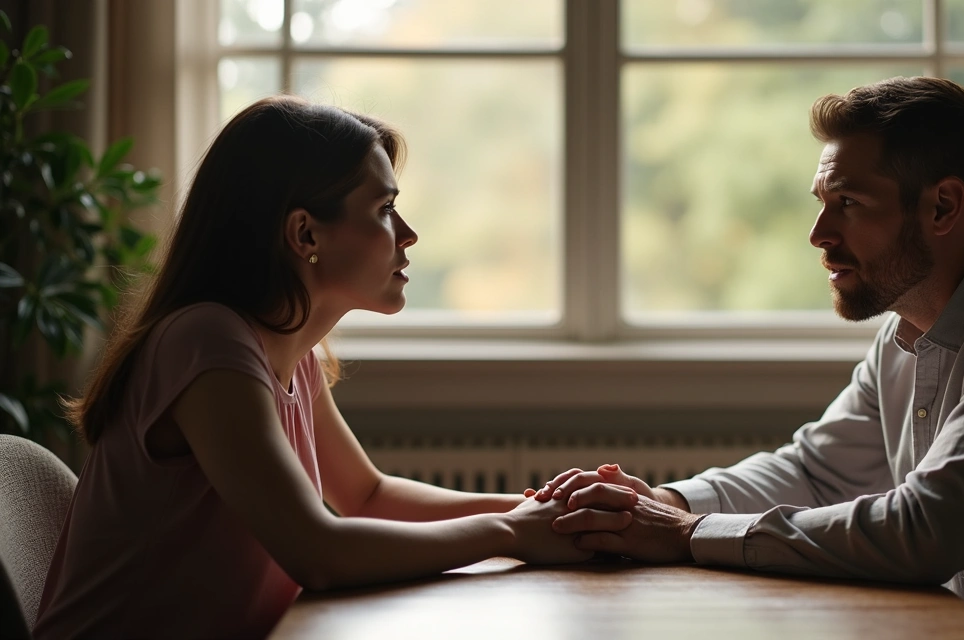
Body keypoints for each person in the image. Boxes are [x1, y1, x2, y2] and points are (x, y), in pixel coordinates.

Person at [533, 77, 964, 638]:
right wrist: (655, 500)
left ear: (943, 206)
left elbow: (925, 531)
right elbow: (818, 469)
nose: (819, 235)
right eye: (823, 203)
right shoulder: (910, 330)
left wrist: (686, 532)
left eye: (849, 204)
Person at [33, 96, 637, 639]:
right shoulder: (207, 342)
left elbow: (366, 495)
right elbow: (317, 551)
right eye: (383, 210)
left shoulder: (291, 351)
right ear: (304, 233)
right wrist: (511, 533)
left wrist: (546, 514)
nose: (409, 234)